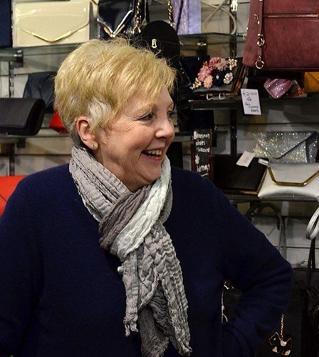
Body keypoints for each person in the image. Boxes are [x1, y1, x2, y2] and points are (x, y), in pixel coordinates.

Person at [0, 39, 292, 357]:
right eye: (147, 117)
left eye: (168, 113)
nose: (167, 129)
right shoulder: (38, 205)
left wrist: (230, 346)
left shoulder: (196, 197)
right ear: (88, 131)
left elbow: (271, 277)